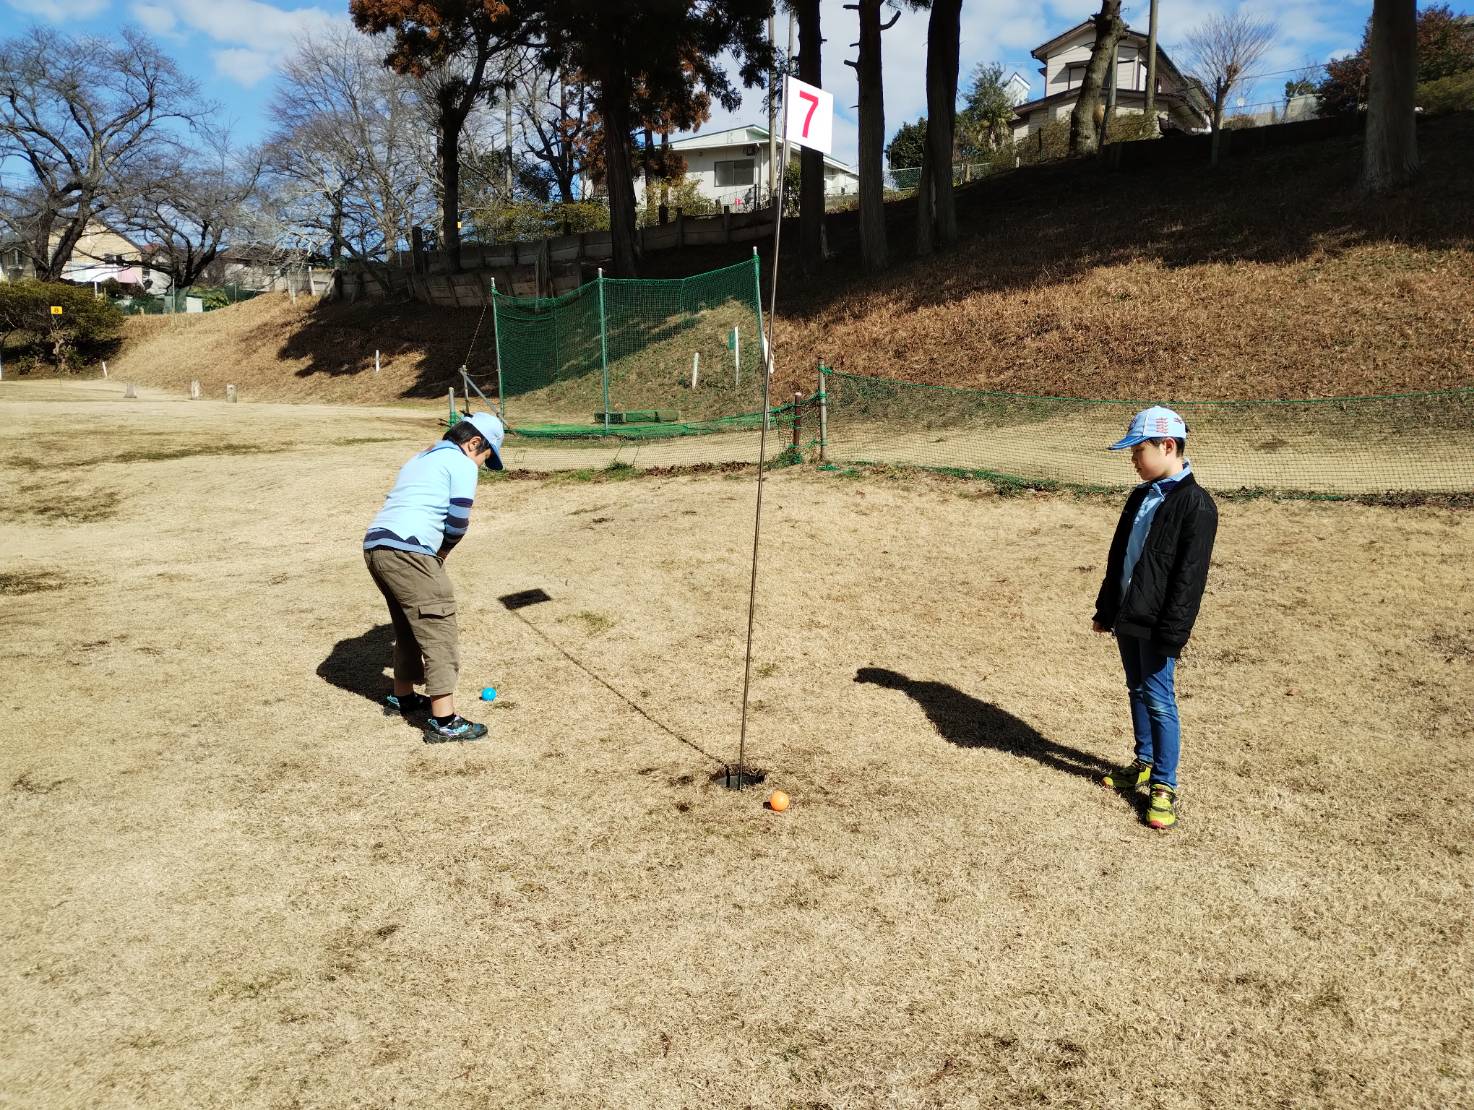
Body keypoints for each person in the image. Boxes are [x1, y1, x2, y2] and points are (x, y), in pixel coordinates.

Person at [1092, 406, 1218, 830]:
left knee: (1159, 699)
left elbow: (1189, 580)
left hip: (1158, 625)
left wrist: (1172, 634)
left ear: (1167, 446)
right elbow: (1119, 557)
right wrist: (1107, 609)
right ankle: (1144, 762)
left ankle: (1164, 784)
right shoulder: (1140, 496)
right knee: (1136, 690)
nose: (1133, 459)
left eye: (1138, 451)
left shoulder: (1196, 505)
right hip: (1129, 614)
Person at [363, 411, 504, 742]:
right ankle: (445, 721)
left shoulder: (420, 458)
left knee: (408, 624)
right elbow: (457, 521)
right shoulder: (461, 463)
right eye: (486, 456)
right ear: (474, 443)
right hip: (410, 551)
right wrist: (441, 553)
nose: (482, 463)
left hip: (376, 546)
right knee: (439, 627)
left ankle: (403, 697)